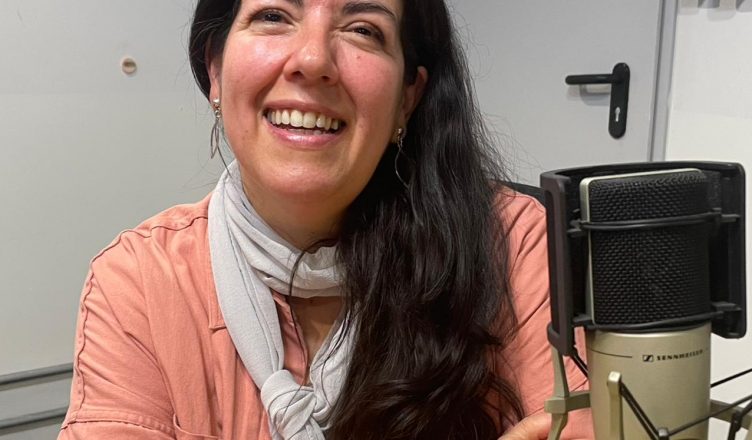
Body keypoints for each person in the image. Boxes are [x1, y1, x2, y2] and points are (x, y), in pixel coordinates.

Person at [58, 0, 592, 438]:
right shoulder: (139, 281)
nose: (313, 59)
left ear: (408, 97)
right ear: (215, 69)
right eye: (273, 16)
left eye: (363, 29)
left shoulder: (513, 244)